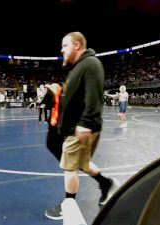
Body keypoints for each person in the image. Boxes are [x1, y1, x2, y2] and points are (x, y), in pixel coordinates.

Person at [45, 32, 117, 220]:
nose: (61, 50)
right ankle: (105, 183)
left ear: (77, 45)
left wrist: (85, 123)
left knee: (70, 167)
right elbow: (74, 97)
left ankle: (68, 205)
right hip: (75, 127)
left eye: (65, 45)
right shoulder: (77, 68)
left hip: (80, 128)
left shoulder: (90, 63)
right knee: (82, 164)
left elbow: (94, 95)